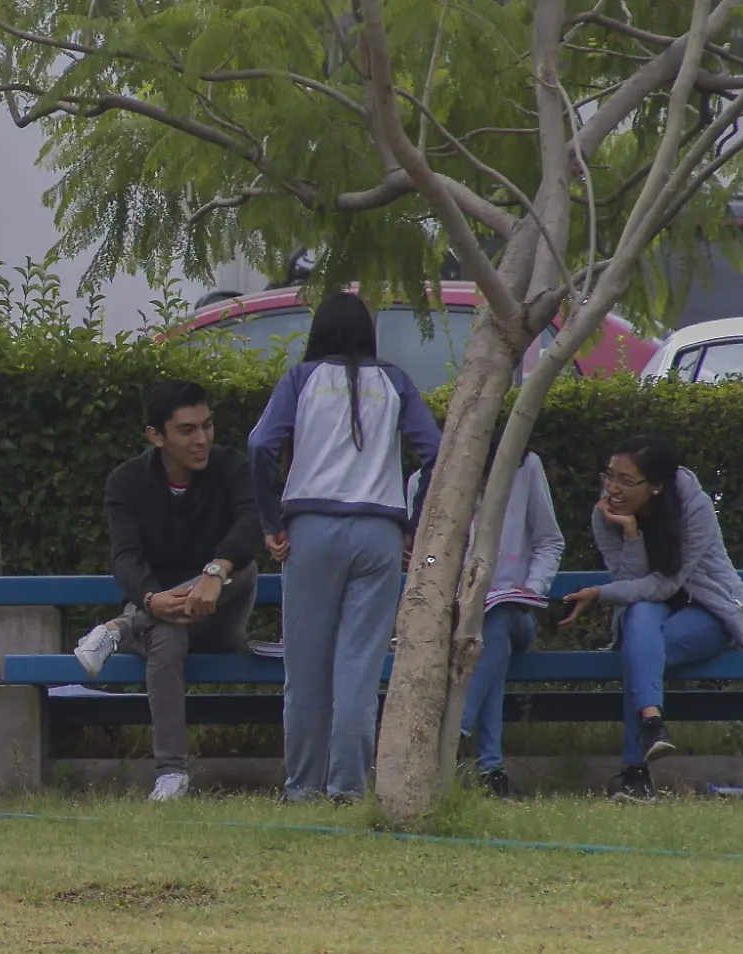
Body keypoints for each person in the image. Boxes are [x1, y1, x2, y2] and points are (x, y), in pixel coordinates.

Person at [248, 292, 441, 804]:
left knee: (306, 669)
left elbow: (260, 445)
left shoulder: (300, 378)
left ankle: (303, 788)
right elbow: (437, 452)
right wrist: (414, 526)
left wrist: (272, 520)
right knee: (358, 667)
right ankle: (349, 788)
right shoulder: (395, 381)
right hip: (379, 533)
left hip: (308, 529)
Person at [72, 380, 262, 802]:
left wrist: (215, 571)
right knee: (167, 634)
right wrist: (151, 599)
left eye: (207, 427)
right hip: (158, 610)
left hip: (220, 614)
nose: (202, 440)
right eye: (187, 430)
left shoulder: (230, 466)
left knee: (244, 570)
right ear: (156, 436)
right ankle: (171, 774)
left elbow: (251, 525)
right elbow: (125, 557)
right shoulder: (126, 482)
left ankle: (119, 630)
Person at [560, 435, 743, 802]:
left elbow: (666, 584)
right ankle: (652, 723)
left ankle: (635, 773)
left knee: (639, 652)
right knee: (640, 621)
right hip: (649, 615)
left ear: (656, 486)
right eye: (609, 475)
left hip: (708, 612)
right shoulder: (606, 516)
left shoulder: (695, 508)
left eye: (626, 481)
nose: (613, 488)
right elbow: (632, 586)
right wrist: (629, 534)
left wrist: (600, 594)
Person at [407, 433, 564, 798]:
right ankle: (491, 768)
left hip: (515, 611)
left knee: (496, 619)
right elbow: (422, 556)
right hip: (456, 622)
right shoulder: (423, 482)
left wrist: (532, 589)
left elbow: (548, 541)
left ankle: (454, 731)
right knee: (492, 639)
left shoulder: (524, 469)